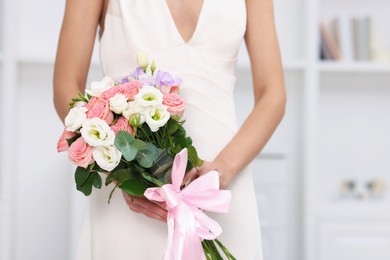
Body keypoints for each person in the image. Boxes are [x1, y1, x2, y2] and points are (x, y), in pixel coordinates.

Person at [53, 0, 286, 259]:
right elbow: (66, 85)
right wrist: (125, 174)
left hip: (220, 190)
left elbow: (273, 95)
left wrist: (224, 169)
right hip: (128, 193)